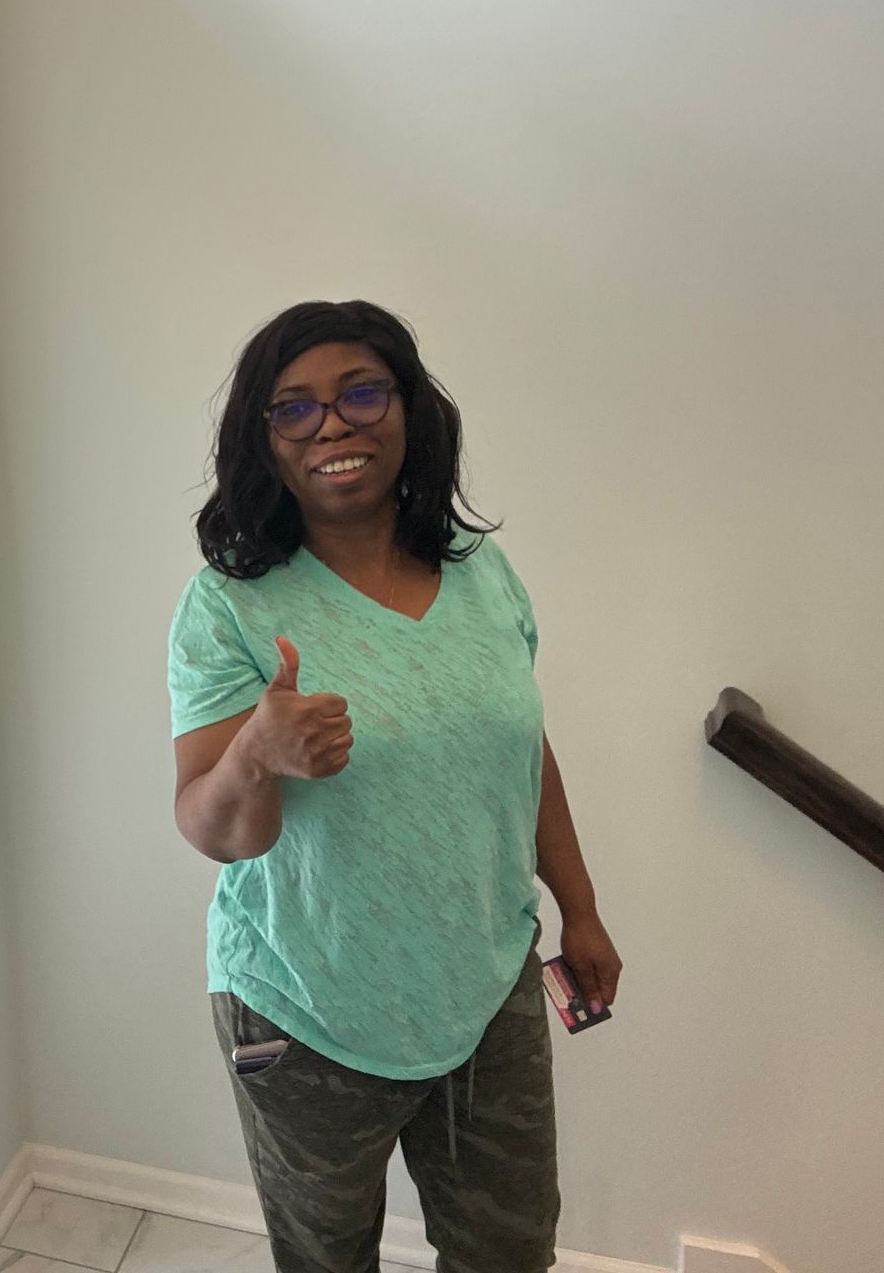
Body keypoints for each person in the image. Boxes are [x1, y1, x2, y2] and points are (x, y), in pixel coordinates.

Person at [167, 300, 622, 1273]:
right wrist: (257, 751)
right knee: (328, 1260)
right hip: (305, 1012)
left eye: (361, 392)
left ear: (410, 411)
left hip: (486, 989)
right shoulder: (230, 605)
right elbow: (210, 827)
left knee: (509, 1252)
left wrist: (578, 909)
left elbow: (523, 751)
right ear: (265, 440)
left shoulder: (482, 572)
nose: (332, 423)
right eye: (293, 408)